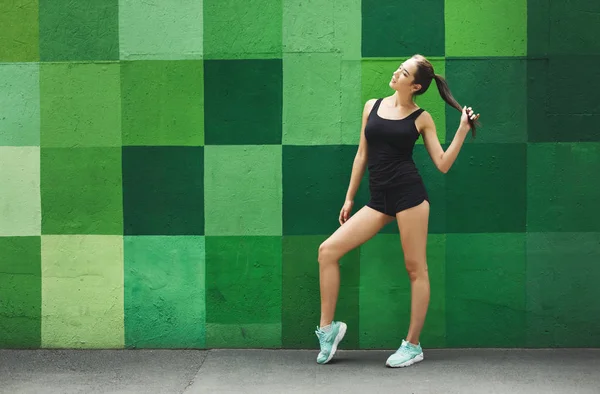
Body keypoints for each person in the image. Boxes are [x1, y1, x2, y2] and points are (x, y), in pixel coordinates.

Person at [314, 54, 480, 367]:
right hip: (378, 200)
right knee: (327, 251)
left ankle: (412, 345)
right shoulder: (371, 107)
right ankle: (327, 330)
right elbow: (362, 155)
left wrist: (461, 130)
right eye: (399, 68)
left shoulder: (422, 117)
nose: (396, 73)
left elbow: (442, 164)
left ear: (415, 85)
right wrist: (349, 198)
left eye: (403, 72)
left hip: (409, 196)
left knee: (416, 269)